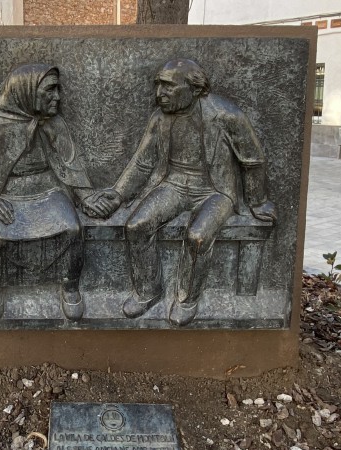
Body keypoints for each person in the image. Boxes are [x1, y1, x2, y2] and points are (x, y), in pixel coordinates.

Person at [86, 59, 276, 326]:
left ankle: (187, 298)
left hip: (215, 191)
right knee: (137, 225)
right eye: (158, 86)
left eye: (168, 87)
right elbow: (142, 161)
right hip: (173, 184)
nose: (158, 94)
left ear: (195, 89)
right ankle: (148, 291)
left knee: (198, 236)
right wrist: (118, 194)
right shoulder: (160, 118)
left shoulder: (226, 115)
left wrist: (258, 201)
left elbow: (253, 160)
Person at [0, 64, 94, 322]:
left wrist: (85, 196)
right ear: (26, 91)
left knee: (72, 228)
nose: (58, 97)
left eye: (58, 89)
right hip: (4, 196)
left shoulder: (54, 123)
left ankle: (70, 287)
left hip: (48, 191)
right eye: (50, 90)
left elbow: (70, 164)